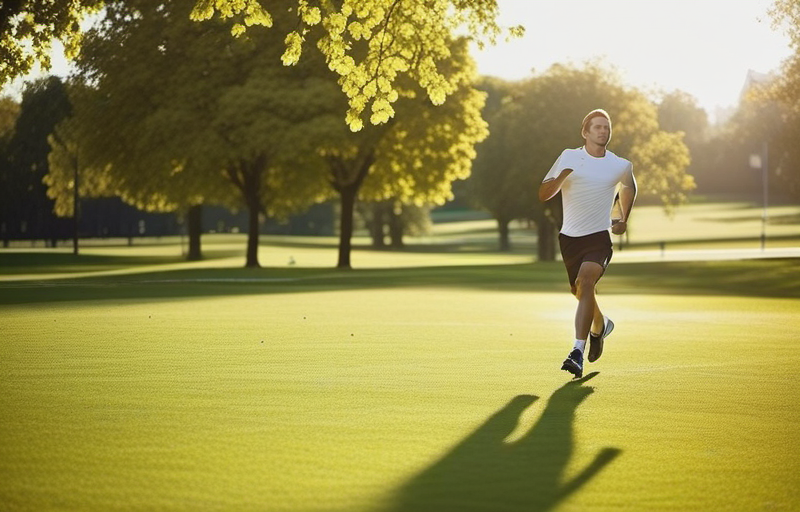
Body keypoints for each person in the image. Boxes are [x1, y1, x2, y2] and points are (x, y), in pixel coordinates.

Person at [538, 109, 637, 379]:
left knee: (586, 282)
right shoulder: (569, 157)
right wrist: (561, 176)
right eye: (597, 127)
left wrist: (622, 217)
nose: (603, 131)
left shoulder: (619, 164)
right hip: (569, 238)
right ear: (585, 132)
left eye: (606, 127)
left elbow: (629, 186)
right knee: (580, 292)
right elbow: (544, 194)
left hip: (598, 238)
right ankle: (600, 325)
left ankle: (576, 352)